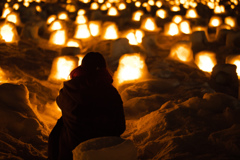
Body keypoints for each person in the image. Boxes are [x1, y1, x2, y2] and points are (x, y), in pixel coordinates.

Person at [48, 52, 126, 160]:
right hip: (104, 150)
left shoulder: (69, 89)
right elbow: (120, 126)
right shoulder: (110, 92)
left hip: (71, 150)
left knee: (62, 122)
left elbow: (60, 102)